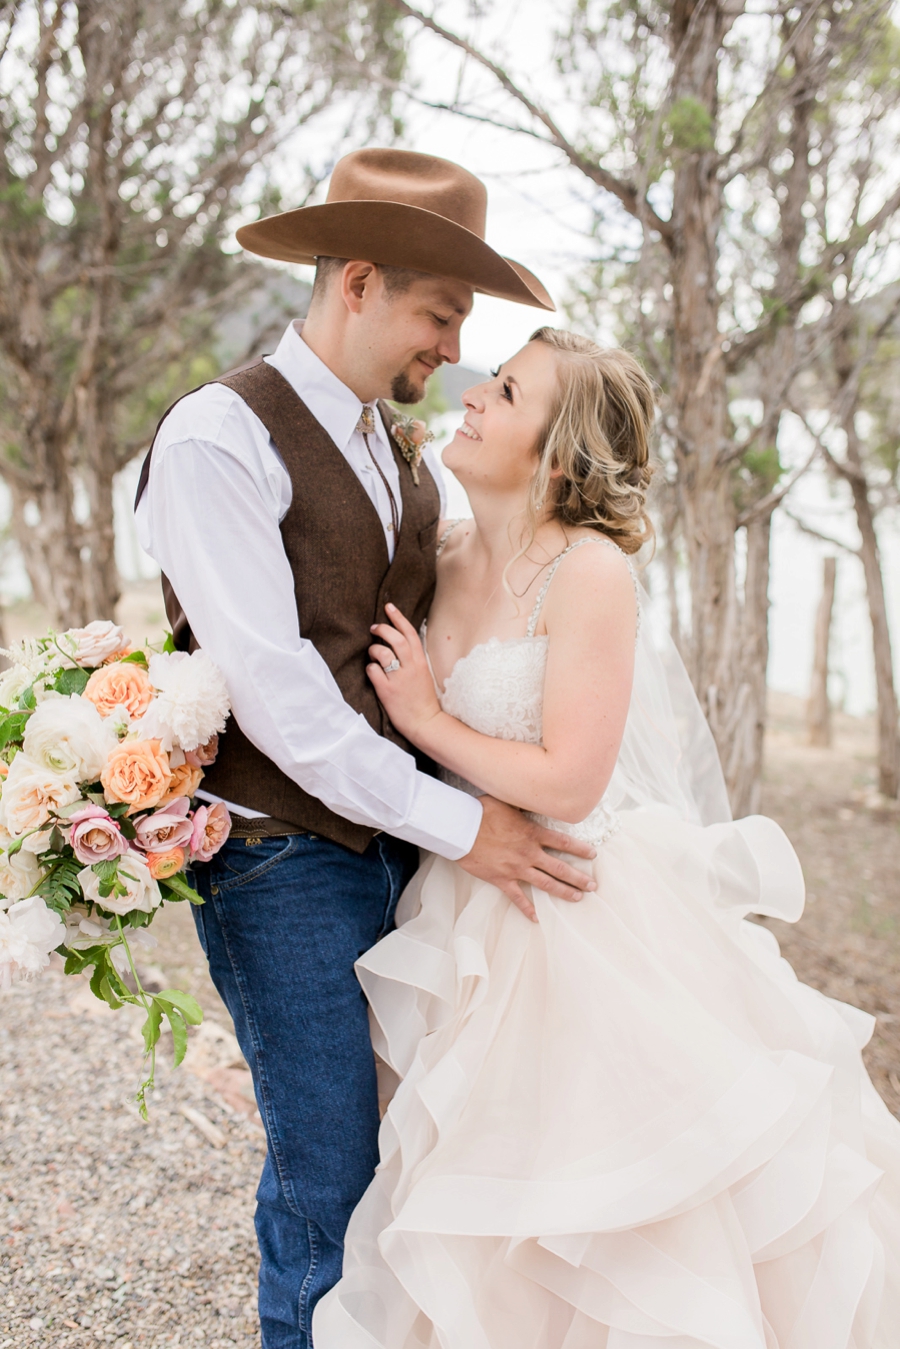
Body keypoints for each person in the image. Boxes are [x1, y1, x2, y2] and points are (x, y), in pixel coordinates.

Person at [313, 328, 900, 1347]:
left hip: (572, 914)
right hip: (455, 904)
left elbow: (574, 777)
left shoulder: (590, 574)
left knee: (599, 1205)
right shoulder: (439, 553)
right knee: (468, 1197)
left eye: (504, 390)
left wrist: (427, 720)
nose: (474, 397)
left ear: (557, 452)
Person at [134, 150, 598, 1349]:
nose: (453, 350)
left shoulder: (397, 452)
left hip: (404, 854)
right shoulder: (216, 438)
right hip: (283, 856)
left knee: (413, 1173)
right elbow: (281, 696)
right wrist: (466, 825)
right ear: (358, 281)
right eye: (440, 316)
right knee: (326, 1178)